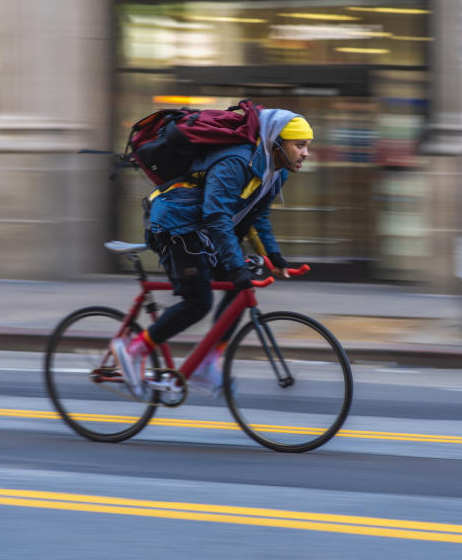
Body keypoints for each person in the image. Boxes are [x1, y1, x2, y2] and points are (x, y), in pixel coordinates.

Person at [112, 108, 313, 399]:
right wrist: (234, 264)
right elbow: (216, 215)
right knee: (198, 301)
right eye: (300, 145)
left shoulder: (276, 171)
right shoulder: (237, 162)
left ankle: (207, 363)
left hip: (202, 230)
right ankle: (132, 350)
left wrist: (274, 257)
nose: (306, 153)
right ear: (277, 142)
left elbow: (259, 215)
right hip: (175, 225)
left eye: (308, 145)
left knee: (238, 287)